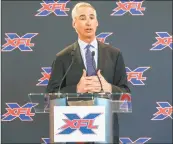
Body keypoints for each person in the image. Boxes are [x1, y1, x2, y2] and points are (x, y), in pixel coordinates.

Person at [46, 2, 131, 144]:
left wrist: (107, 87)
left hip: (106, 130)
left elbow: (126, 95)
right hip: (73, 131)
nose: (88, 22)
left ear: (97, 23)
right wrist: (76, 89)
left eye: (92, 17)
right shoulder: (63, 58)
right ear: (74, 23)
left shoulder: (114, 55)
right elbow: (50, 96)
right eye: (83, 17)